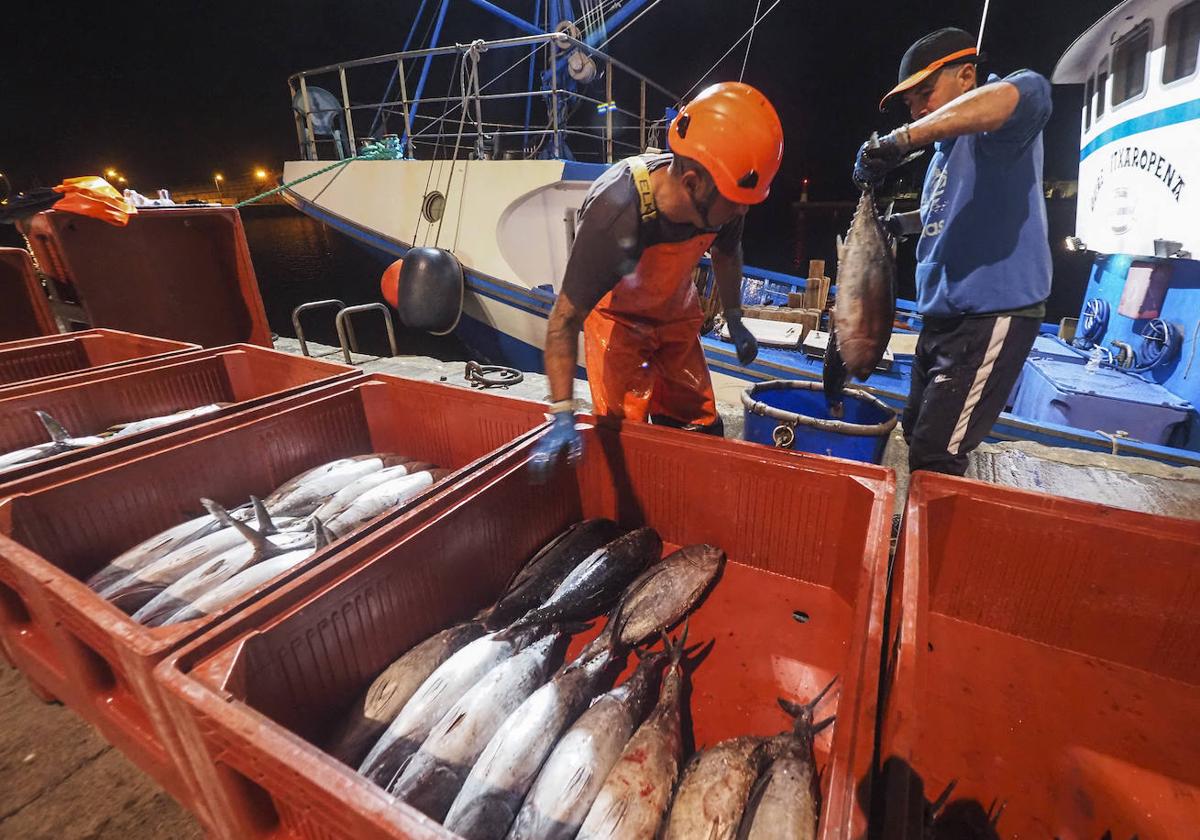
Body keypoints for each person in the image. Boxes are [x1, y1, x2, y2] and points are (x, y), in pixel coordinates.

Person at [530, 81, 784, 478]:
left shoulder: (726, 197)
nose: (741, 213)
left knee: (698, 426)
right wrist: (562, 412)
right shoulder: (616, 213)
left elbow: (726, 252)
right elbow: (564, 319)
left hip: (675, 313)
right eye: (735, 204)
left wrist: (734, 317)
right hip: (617, 322)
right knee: (624, 440)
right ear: (693, 183)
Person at [853, 27, 1052, 476]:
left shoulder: (1008, 119)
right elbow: (944, 215)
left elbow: (1020, 94)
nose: (919, 108)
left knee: (937, 452)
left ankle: (934, 544)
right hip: (942, 318)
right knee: (915, 431)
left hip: (989, 313)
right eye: (910, 104)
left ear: (967, 75)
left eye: (925, 92)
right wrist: (892, 226)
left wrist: (902, 138)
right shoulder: (944, 152)